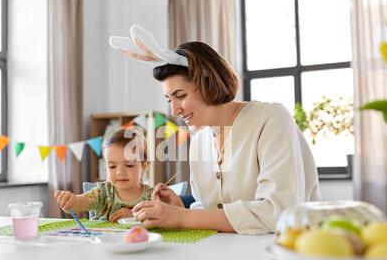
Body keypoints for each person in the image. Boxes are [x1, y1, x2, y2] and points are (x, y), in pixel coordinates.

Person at [109, 25, 321, 235]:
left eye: (181, 96)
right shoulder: (200, 139)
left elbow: (279, 213)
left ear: (208, 83)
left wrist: (181, 218)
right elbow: (211, 212)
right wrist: (178, 209)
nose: (174, 110)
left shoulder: (271, 119)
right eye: (169, 99)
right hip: (224, 256)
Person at [54, 129, 153, 222]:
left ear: (144, 166)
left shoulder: (151, 197)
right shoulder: (103, 193)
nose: (120, 172)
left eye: (129, 165)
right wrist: (71, 202)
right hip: (104, 239)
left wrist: (134, 216)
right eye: (112, 166)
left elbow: (158, 220)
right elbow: (80, 203)